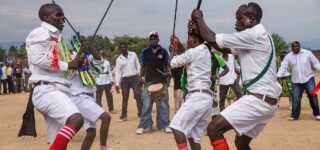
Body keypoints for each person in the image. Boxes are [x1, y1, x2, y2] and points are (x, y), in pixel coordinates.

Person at [190, 2, 282, 149]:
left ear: (251, 19)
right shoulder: (261, 35)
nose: (236, 23)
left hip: (258, 100)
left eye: (239, 19)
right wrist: (199, 30)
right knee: (240, 143)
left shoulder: (254, 34)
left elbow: (213, 39)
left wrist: (199, 19)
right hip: (268, 102)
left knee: (214, 129)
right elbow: (220, 46)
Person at [26, 3, 85, 149]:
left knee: (59, 145)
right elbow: (38, 59)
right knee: (76, 119)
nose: (62, 17)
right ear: (46, 17)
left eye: (63, 14)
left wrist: (79, 54)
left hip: (59, 89)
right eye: (58, 14)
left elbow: (65, 64)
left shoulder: (59, 38)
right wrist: (68, 65)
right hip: (47, 90)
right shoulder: (41, 32)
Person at [168, 28, 213, 149]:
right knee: (193, 137)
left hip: (197, 97)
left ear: (194, 39)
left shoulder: (192, 52)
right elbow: (187, 55)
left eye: (188, 39)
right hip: (206, 98)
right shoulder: (205, 51)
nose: (187, 41)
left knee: (176, 127)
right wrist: (178, 45)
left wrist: (172, 51)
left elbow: (171, 63)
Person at [70, 36, 111, 150]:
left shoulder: (89, 56)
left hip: (89, 97)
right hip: (79, 97)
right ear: (74, 44)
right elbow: (72, 66)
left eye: (84, 42)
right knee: (106, 118)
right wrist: (81, 51)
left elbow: (100, 60)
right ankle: (103, 148)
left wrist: (89, 47)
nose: (82, 44)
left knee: (91, 132)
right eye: (80, 42)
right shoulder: (71, 56)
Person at [136, 31, 171, 134]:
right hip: (148, 82)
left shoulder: (164, 51)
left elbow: (167, 65)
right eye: (151, 39)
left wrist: (168, 74)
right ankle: (144, 126)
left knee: (163, 105)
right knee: (146, 105)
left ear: (158, 40)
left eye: (155, 39)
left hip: (161, 82)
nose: (153, 40)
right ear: (149, 40)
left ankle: (164, 125)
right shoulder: (145, 52)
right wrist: (140, 77)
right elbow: (143, 66)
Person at [277, 41, 320, 121]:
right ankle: (294, 115)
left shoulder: (307, 53)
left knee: (312, 96)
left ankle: (317, 113)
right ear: (291, 48)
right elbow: (283, 67)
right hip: (296, 81)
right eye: (293, 46)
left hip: (308, 79)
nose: (295, 48)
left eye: (296, 46)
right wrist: (278, 76)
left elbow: (316, 63)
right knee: (296, 98)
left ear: (299, 46)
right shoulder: (288, 56)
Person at [115, 42, 142, 121]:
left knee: (138, 96)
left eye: (124, 47)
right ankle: (124, 116)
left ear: (127, 47)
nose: (123, 48)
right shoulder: (118, 59)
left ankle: (141, 114)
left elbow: (138, 66)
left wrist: (140, 77)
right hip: (125, 80)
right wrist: (117, 84)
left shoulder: (133, 54)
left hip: (134, 79)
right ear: (120, 49)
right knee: (125, 98)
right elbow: (118, 72)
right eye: (121, 48)